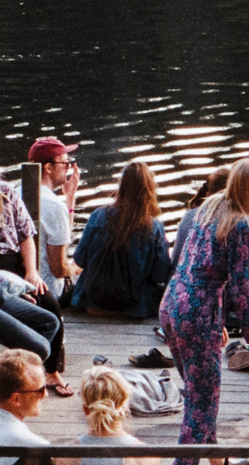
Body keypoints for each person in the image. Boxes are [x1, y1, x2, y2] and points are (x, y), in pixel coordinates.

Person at [158, 155, 249, 465]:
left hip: (174, 304)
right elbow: (247, 288)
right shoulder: (245, 227)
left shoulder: (211, 206)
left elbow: (196, 261)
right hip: (198, 315)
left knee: (200, 396)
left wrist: (216, 315)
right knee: (201, 407)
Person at [69, 161, 172, 319]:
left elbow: (80, 260)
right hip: (133, 307)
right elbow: (160, 274)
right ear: (149, 190)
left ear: (121, 186)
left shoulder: (97, 215)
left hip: (92, 302)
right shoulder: (154, 226)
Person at [0, 177, 70, 397]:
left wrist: (31, 272)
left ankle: (49, 372)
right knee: (38, 343)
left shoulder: (6, 191)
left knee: (50, 308)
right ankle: (17, 377)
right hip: (2, 283)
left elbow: (26, 234)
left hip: (14, 267)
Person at [28, 138, 79, 306]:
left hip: (22, 286)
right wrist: (76, 270)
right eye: (65, 163)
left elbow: (61, 238)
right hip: (49, 292)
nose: (69, 167)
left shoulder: (15, 193)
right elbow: (59, 270)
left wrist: (69, 199)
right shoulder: (54, 205)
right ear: (48, 167)